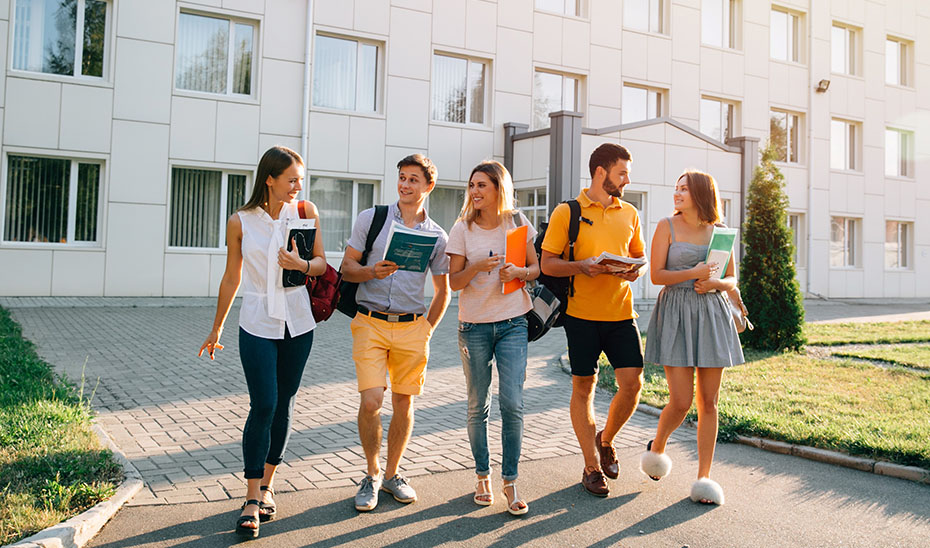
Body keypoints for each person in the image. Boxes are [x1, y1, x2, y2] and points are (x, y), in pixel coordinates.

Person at [198, 146, 327, 538]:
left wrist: (301, 266)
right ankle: (251, 497)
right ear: (269, 179)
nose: (297, 186)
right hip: (256, 320)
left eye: (300, 180)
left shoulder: (306, 213)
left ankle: (268, 485)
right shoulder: (240, 221)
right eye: (292, 179)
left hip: (298, 321)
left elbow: (321, 263)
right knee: (264, 403)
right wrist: (216, 326)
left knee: (284, 403)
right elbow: (231, 277)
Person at [340, 154, 451, 512]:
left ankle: (392, 475)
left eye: (413, 180)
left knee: (404, 403)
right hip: (369, 322)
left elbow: (444, 290)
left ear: (428, 186)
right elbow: (346, 268)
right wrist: (372, 272)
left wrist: (427, 330)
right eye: (402, 178)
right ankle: (371, 475)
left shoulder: (437, 236)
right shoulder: (371, 219)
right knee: (371, 400)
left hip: (411, 328)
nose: (405, 185)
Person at [540, 143, 647, 497]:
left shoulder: (629, 212)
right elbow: (547, 264)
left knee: (632, 385)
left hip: (621, 313)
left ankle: (607, 439)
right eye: (622, 173)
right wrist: (581, 267)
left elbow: (638, 255)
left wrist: (633, 271)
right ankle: (590, 466)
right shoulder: (566, 212)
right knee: (583, 388)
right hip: (581, 316)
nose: (627, 180)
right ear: (601, 172)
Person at [639, 170, 744, 506]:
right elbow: (657, 276)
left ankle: (704, 477)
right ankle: (657, 447)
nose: (677, 194)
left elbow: (731, 278)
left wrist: (715, 284)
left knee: (709, 403)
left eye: (684, 189)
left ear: (701, 194)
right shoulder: (665, 226)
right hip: (676, 313)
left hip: (712, 315)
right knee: (682, 400)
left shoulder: (720, 233)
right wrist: (695, 273)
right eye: (676, 189)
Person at [446, 161, 540, 516]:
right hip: (474, 326)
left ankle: (511, 479)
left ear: (499, 188)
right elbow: (453, 282)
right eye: (472, 185)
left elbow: (536, 268)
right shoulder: (462, 229)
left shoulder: (517, 223)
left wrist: (519, 272)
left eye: (481, 185)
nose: (474, 192)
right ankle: (482, 474)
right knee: (477, 405)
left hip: (513, 322)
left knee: (513, 403)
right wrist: (477, 268)